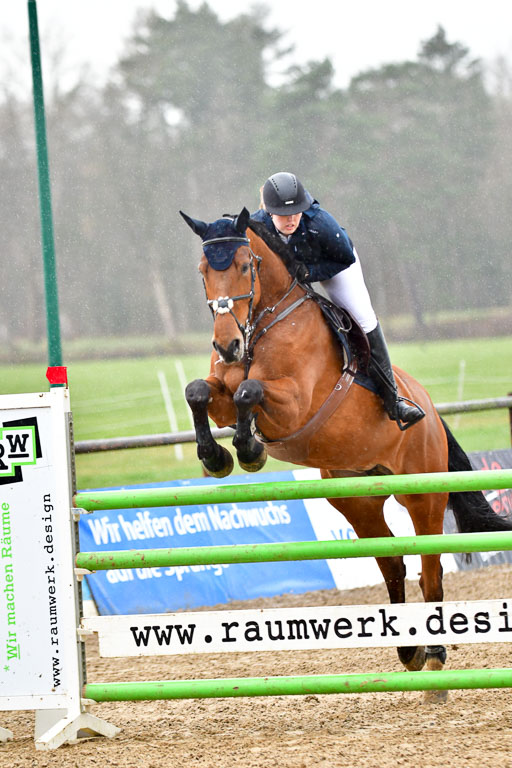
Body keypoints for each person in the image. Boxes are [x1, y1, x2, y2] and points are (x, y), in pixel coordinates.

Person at [251, 171, 425, 430]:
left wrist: (310, 273)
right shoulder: (257, 224)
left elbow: (344, 259)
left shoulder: (321, 223)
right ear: (268, 212)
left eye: (297, 212)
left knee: (363, 319)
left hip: (334, 264)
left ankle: (393, 400)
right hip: (293, 272)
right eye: (284, 215)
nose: (291, 220)